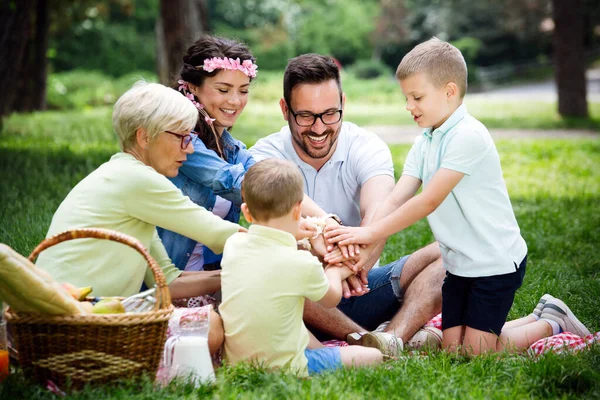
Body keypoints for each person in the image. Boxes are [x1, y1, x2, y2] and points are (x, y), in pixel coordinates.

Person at [324, 38, 591, 354]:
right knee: (454, 350)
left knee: (476, 353)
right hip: (459, 265)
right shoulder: (425, 140)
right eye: (406, 97)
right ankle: (539, 315)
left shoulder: (468, 136)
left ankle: (552, 323)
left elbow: (427, 201)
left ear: (450, 92)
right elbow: (397, 197)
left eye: (417, 97)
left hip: (494, 264)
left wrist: (368, 231)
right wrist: (360, 238)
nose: (408, 106)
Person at [249, 53, 446, 355]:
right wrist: (332, 266)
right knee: (271, 273)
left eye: (330, 114)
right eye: (305, 116)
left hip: (362, 284)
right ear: (284, 109)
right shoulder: (264, 156)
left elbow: (378, 218)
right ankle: (368, 338)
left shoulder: (366, 146)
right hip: (299, 300)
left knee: (450, 250)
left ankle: (392, 336)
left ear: (343, 103)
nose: (318, 129)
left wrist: (348, 268)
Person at [36, 81, 242, 304]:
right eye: (182, 137)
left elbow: (166, 281)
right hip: (75, 319)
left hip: (65, 314)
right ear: (144, 137)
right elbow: (218, 233)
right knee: (213, 328)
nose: (190, 148)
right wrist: (280, 246)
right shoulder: (137, 180)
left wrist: (234, 276)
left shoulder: (124, 177)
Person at [219, 159, 382, 376]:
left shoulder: (233, 244)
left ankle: (322, 351)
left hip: (237, 364)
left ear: (247, 212)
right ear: (298, 210)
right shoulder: (300, 262)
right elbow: (331, 298)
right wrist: (337, 270)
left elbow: (268, 244)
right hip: (285, 368)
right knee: (373, 356)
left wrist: (293, 231)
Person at [157, 36, 257, 282]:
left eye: (243, 91)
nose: (235, 101)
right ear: (192, 87)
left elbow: (267, 178)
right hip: (169, 285)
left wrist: (324, 223)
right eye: (223, 90)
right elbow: (230, 181)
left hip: (209, 279)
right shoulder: (180, 144)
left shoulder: (231, 149)